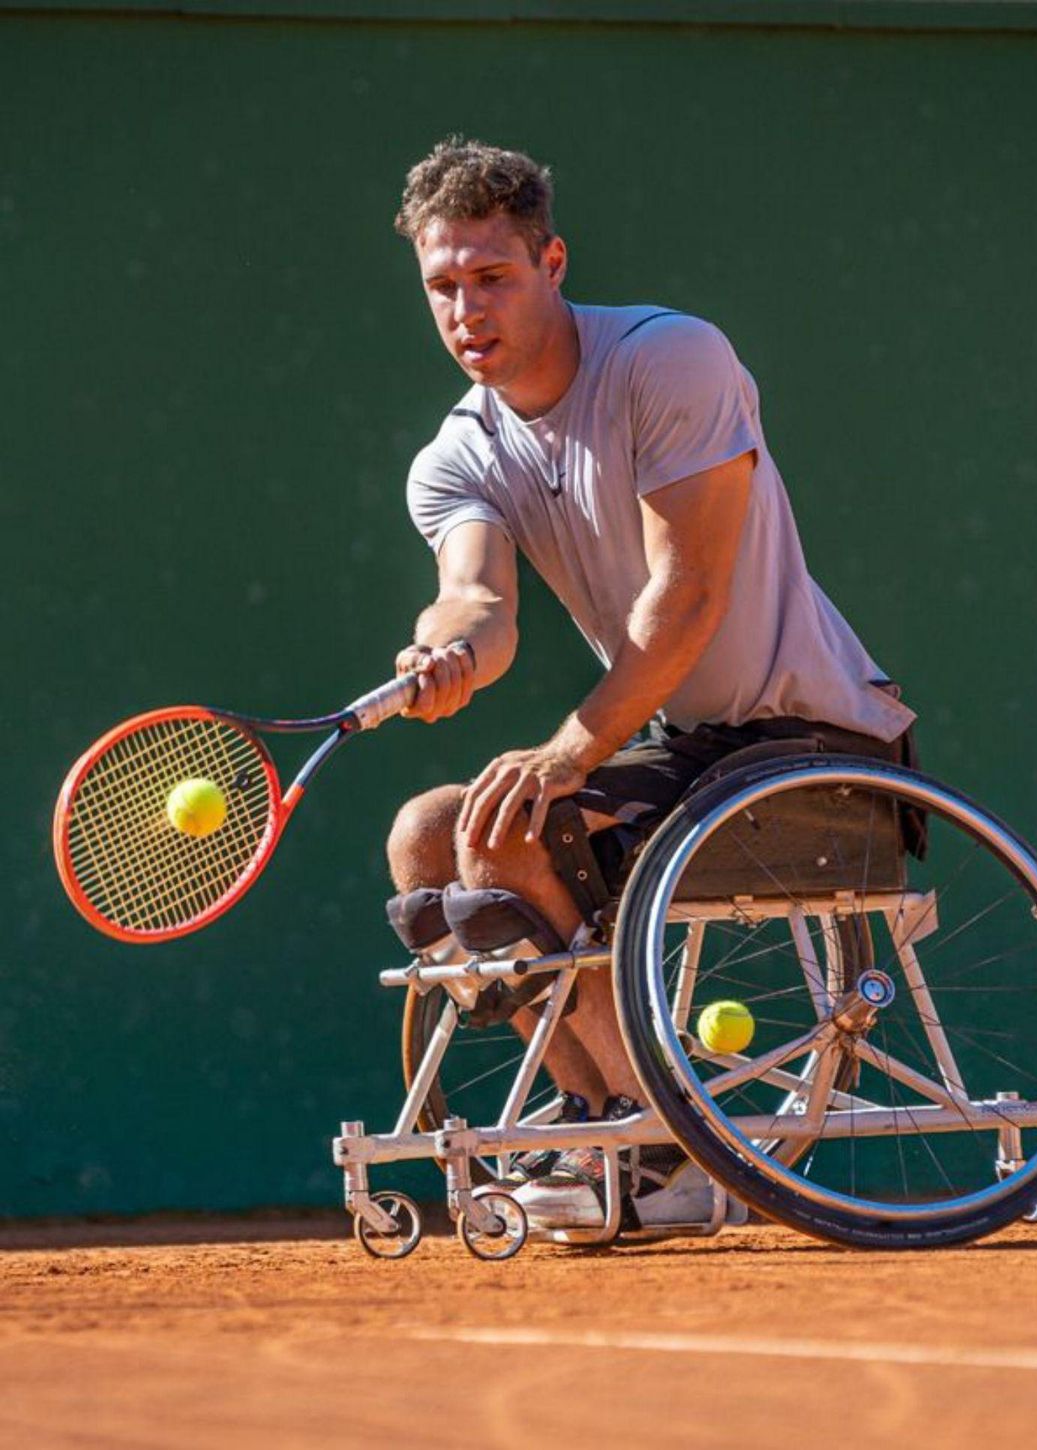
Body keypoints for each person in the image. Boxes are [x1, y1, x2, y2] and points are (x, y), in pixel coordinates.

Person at [386, 137, 916, 1232]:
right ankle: (614, 1125)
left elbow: (689, 599)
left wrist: (570, 753)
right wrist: (440, 650)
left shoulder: (671, 360)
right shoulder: (457, 454)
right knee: (430, 835)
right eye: (444, 286)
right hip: (688, 748)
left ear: (553, 263)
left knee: (510, 827)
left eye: (493, 277)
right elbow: (478, 604)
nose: (466, 308)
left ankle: (670, 1151)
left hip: (814, 734)